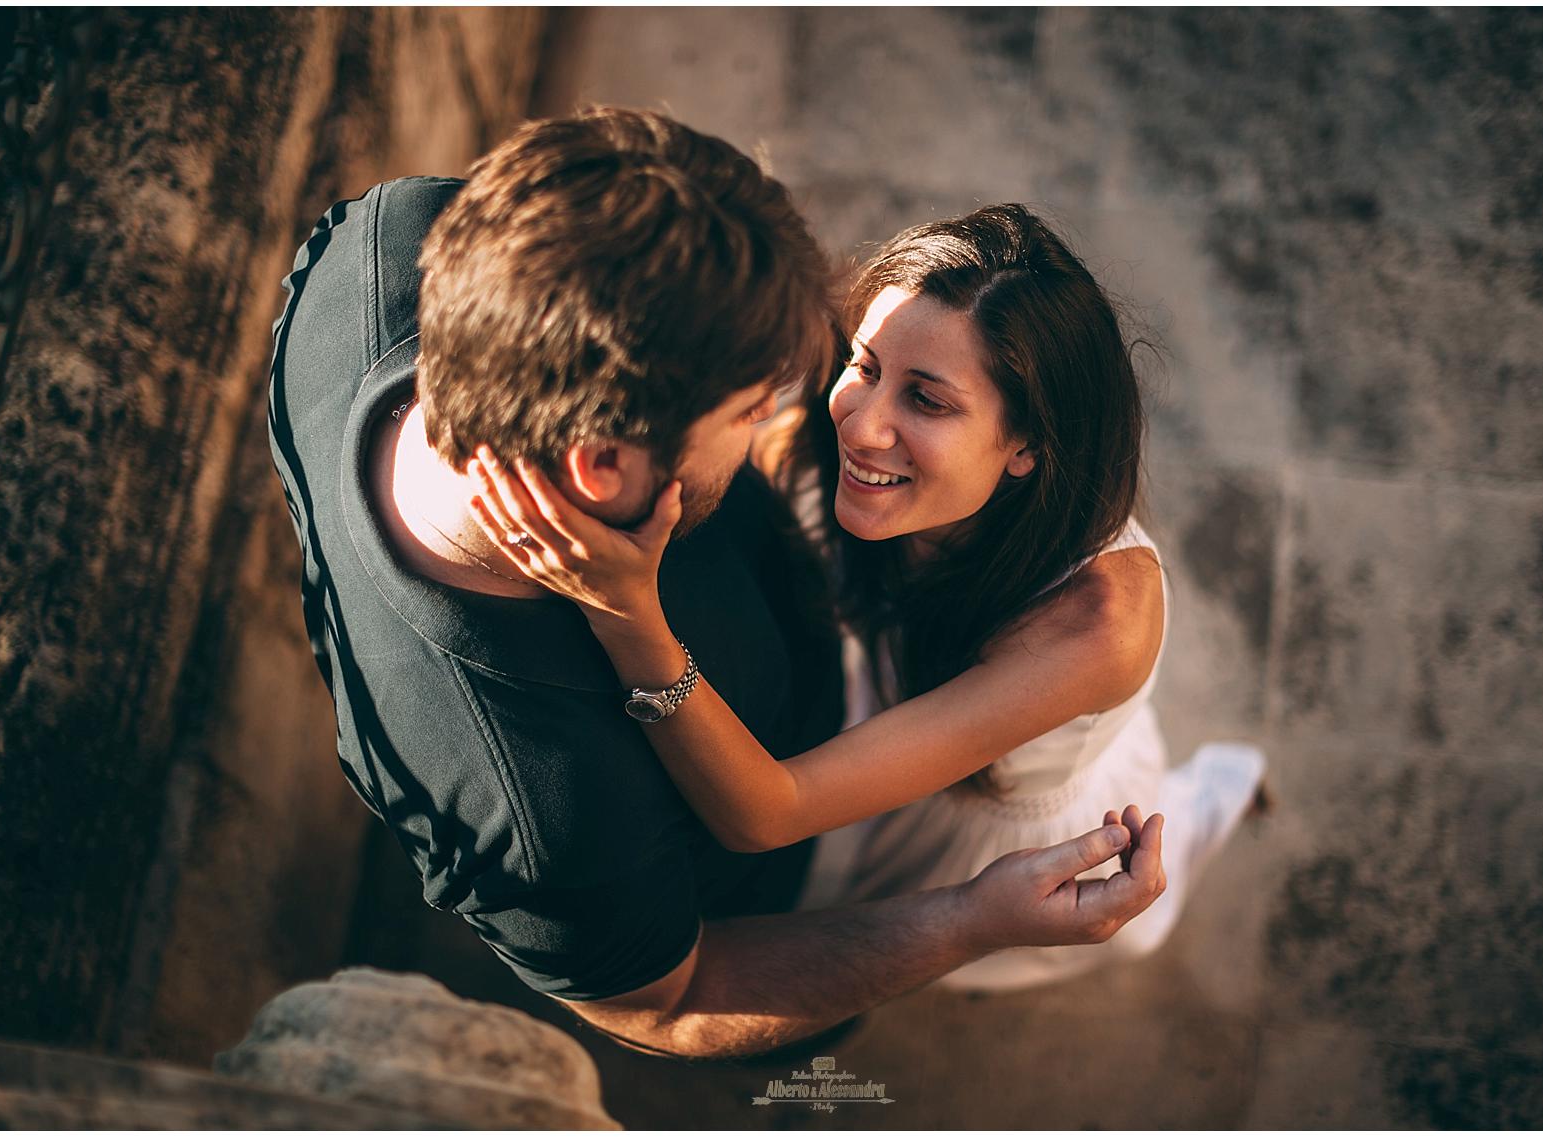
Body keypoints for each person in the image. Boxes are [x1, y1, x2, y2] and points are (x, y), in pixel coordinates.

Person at [267, 106, 1166, 1062]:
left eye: (925, 398)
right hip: (857, 794)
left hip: (970, 775)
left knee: (1155, 867)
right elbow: (679, 987)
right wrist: (965, 922)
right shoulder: (541, 819)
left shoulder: (383, 242)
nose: (818, 425)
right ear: (601, 469)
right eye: (747, 409)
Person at [467, 203, 1266, 993]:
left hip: (993, 814)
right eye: (866, 365)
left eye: (927, 401)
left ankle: (1211, 801)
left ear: (1027, 445)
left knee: (1134, 893)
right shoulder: (840, 422)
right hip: (899, 705)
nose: (861, 425)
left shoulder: (1099, 625)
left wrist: (624, 610)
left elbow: (764, 816)